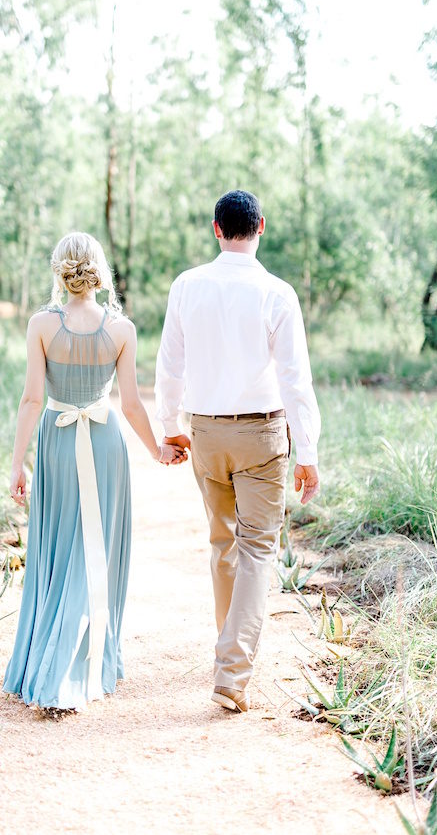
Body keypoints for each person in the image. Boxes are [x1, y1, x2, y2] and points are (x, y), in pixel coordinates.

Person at [4, 232, 185, 712]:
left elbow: (31, 400)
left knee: (61, 546)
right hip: (105, 444)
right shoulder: (121, 329)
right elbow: (129, 404)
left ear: (60, 270)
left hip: (58, 442)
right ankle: (85, 661)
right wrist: (157, 450)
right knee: (97, 550)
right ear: (99, 270)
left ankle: (53, 662)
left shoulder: (41, 324)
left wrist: (17, 463)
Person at [155, 190, 321, 713]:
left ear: (215, 229)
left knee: (222, 541)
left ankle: (229, 650)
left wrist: (169, 427)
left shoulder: (188, 286)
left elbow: (169, 364)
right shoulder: (278, 292)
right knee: (257, 549)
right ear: (261, 227)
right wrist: (308, 451)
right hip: (262, 436)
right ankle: (232, 670)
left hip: (205, 433)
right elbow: (295, 379)